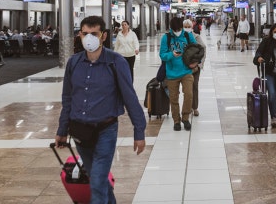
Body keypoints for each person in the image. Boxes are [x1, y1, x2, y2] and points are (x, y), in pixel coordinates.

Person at [55, 15, 146, 204]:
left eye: (94, 33)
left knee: (96, 182)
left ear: (103, 36)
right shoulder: (74, 63)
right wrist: (62, 130)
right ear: (80, 35)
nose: (89, 38)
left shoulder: (116, 62)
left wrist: (139, 131)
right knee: (99, 180)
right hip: (80, 131)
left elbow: (130, 97)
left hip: (106, 130)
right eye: (85, 33)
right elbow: (68, 98)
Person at [160, 17, 198, 131]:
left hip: (186, 71)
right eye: (175, 29)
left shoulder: (187, 36)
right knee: (173, 98)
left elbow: (197, 50)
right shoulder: (166, 38)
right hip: (172, 73)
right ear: (171, 28)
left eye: (179, 29)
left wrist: (195, 62)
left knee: (189, 94)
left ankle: (185, 118)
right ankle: (176, 121)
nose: (177, 32)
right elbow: (162, 54)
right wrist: (171, 54)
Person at [183, 19, 206, 116]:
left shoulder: (196, 37)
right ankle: (187, 107)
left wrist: (200, 64)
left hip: (195, 67)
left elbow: (203, 48)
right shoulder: (181, 38)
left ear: (192, 27)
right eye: (185, 27)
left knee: (194, 86)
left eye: (189, 27)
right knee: (186, 88)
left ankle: (195, 107)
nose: (187, 28)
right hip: (184, 67)